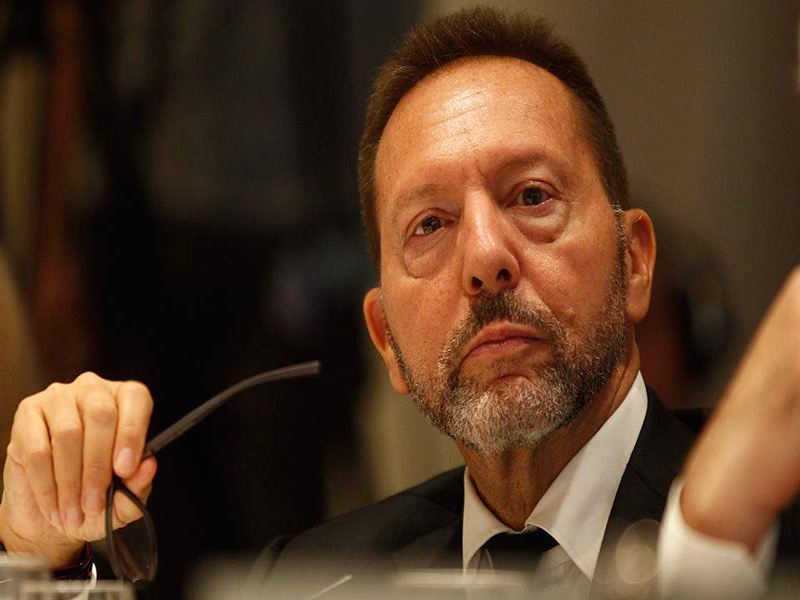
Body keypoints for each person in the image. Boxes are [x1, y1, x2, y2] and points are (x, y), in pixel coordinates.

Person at [0, 6, 798, 598]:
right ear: (386, 341)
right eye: (430, 224)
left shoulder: (772, 526)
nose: (484, 259)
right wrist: (42, 563)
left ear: (636, 263)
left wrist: (706, 550)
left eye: (531, 195)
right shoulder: (308, 581)